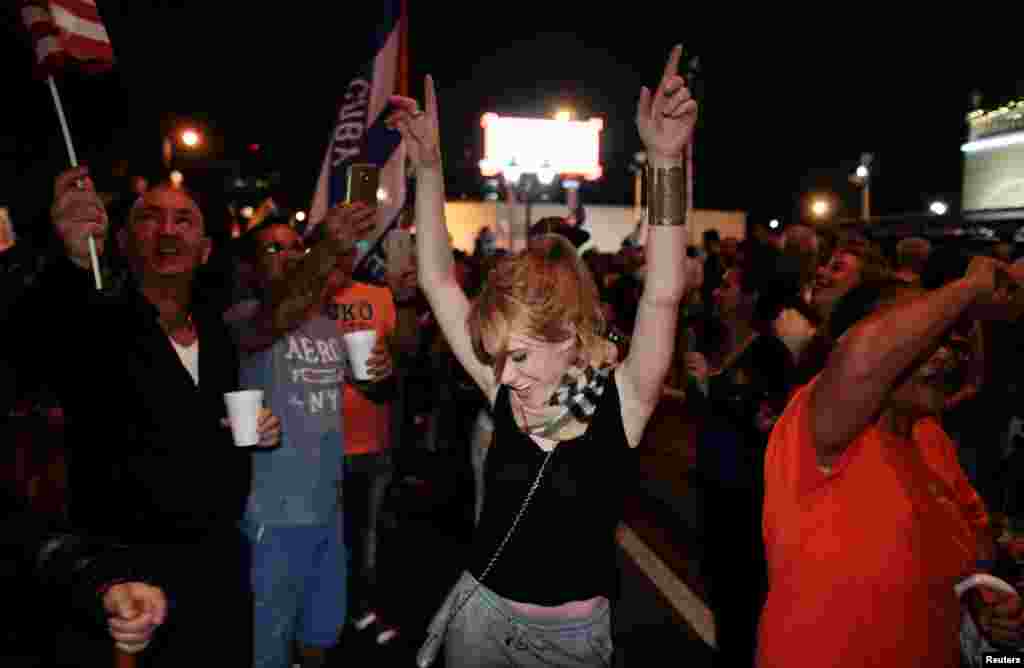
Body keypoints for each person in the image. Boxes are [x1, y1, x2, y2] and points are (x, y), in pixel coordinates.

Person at [389, 45, 695, 666]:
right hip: (481, 620)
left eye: (522, 357)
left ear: (570, 339)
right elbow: (439, 281)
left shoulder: (623, 400)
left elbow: (663, 292)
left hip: (569, 644)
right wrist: (428, 168)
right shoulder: (502, 386)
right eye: (497, 357)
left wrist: (665, 162)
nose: (505, 376)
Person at [1, 167, 282, 667]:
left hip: (218, 572)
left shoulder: (216, 334)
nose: (169, 231)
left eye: (184, 220)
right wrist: (65, 255)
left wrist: (257, 427)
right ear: (126, 240)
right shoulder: (93, 321)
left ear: (206, 249)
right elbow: (26, 333)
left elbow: (205, 424)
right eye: (151, 219)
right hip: (124, 584)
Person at [757, 258, 1024, 668]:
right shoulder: (820, 423)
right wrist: (970, 287)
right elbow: (861, 357)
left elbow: (970, 551)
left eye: (948, 341)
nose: (946, 355)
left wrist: (981, 607)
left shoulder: (930, 438)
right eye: (925, 338)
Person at [225, 204, 387, 668]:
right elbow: (276, 317)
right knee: (268, 648)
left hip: (327, 509)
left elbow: (367, 386)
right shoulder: (243, 318)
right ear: (252, 265)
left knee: (320, 634)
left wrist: (379, 372)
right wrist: (322, 253)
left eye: (297, 245)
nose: (290, 254)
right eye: (274, 248)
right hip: (269, 520)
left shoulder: (328, 324)